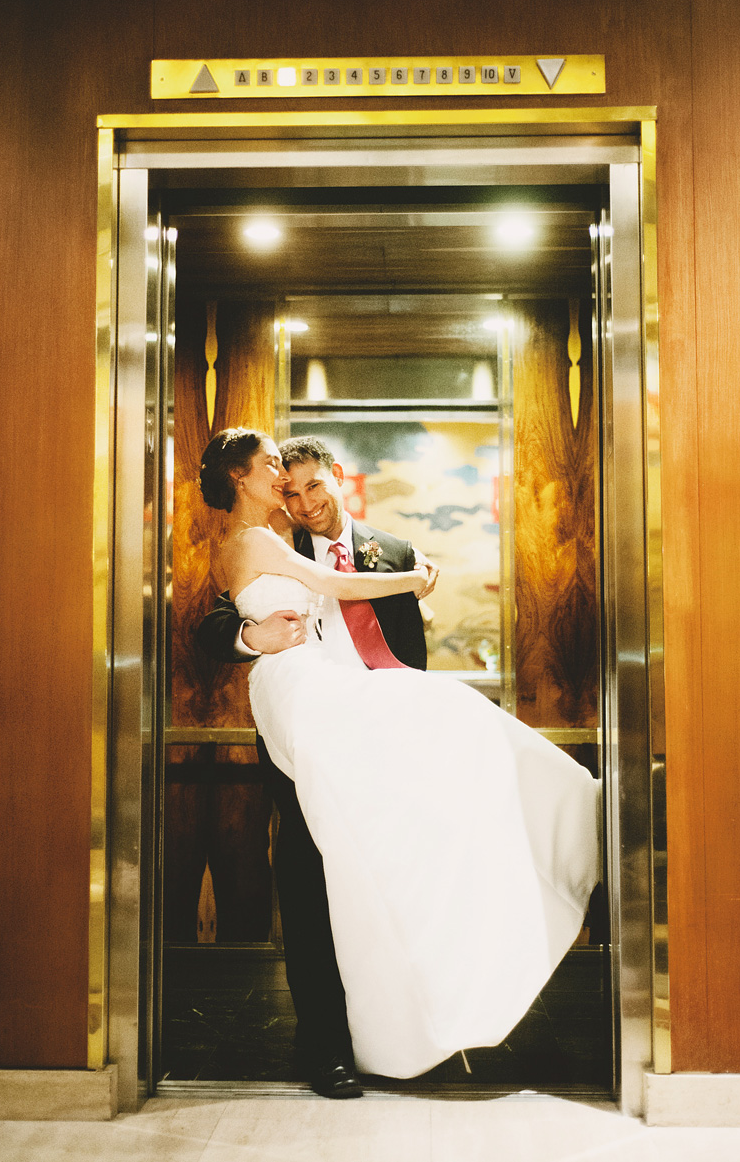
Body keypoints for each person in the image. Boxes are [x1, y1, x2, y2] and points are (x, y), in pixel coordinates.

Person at [194, 427, 600, 1087]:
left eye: (311, 485)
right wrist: (251, 632)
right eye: (289, 490)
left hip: (380, 727)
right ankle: (325, 1046)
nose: (302, 500)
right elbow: (213, 621)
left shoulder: (395, 551)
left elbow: (408, 647)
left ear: (337, 476)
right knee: (309, 888)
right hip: (307, 727)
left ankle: (572, 837)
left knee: (402, 873)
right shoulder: (267, 540)